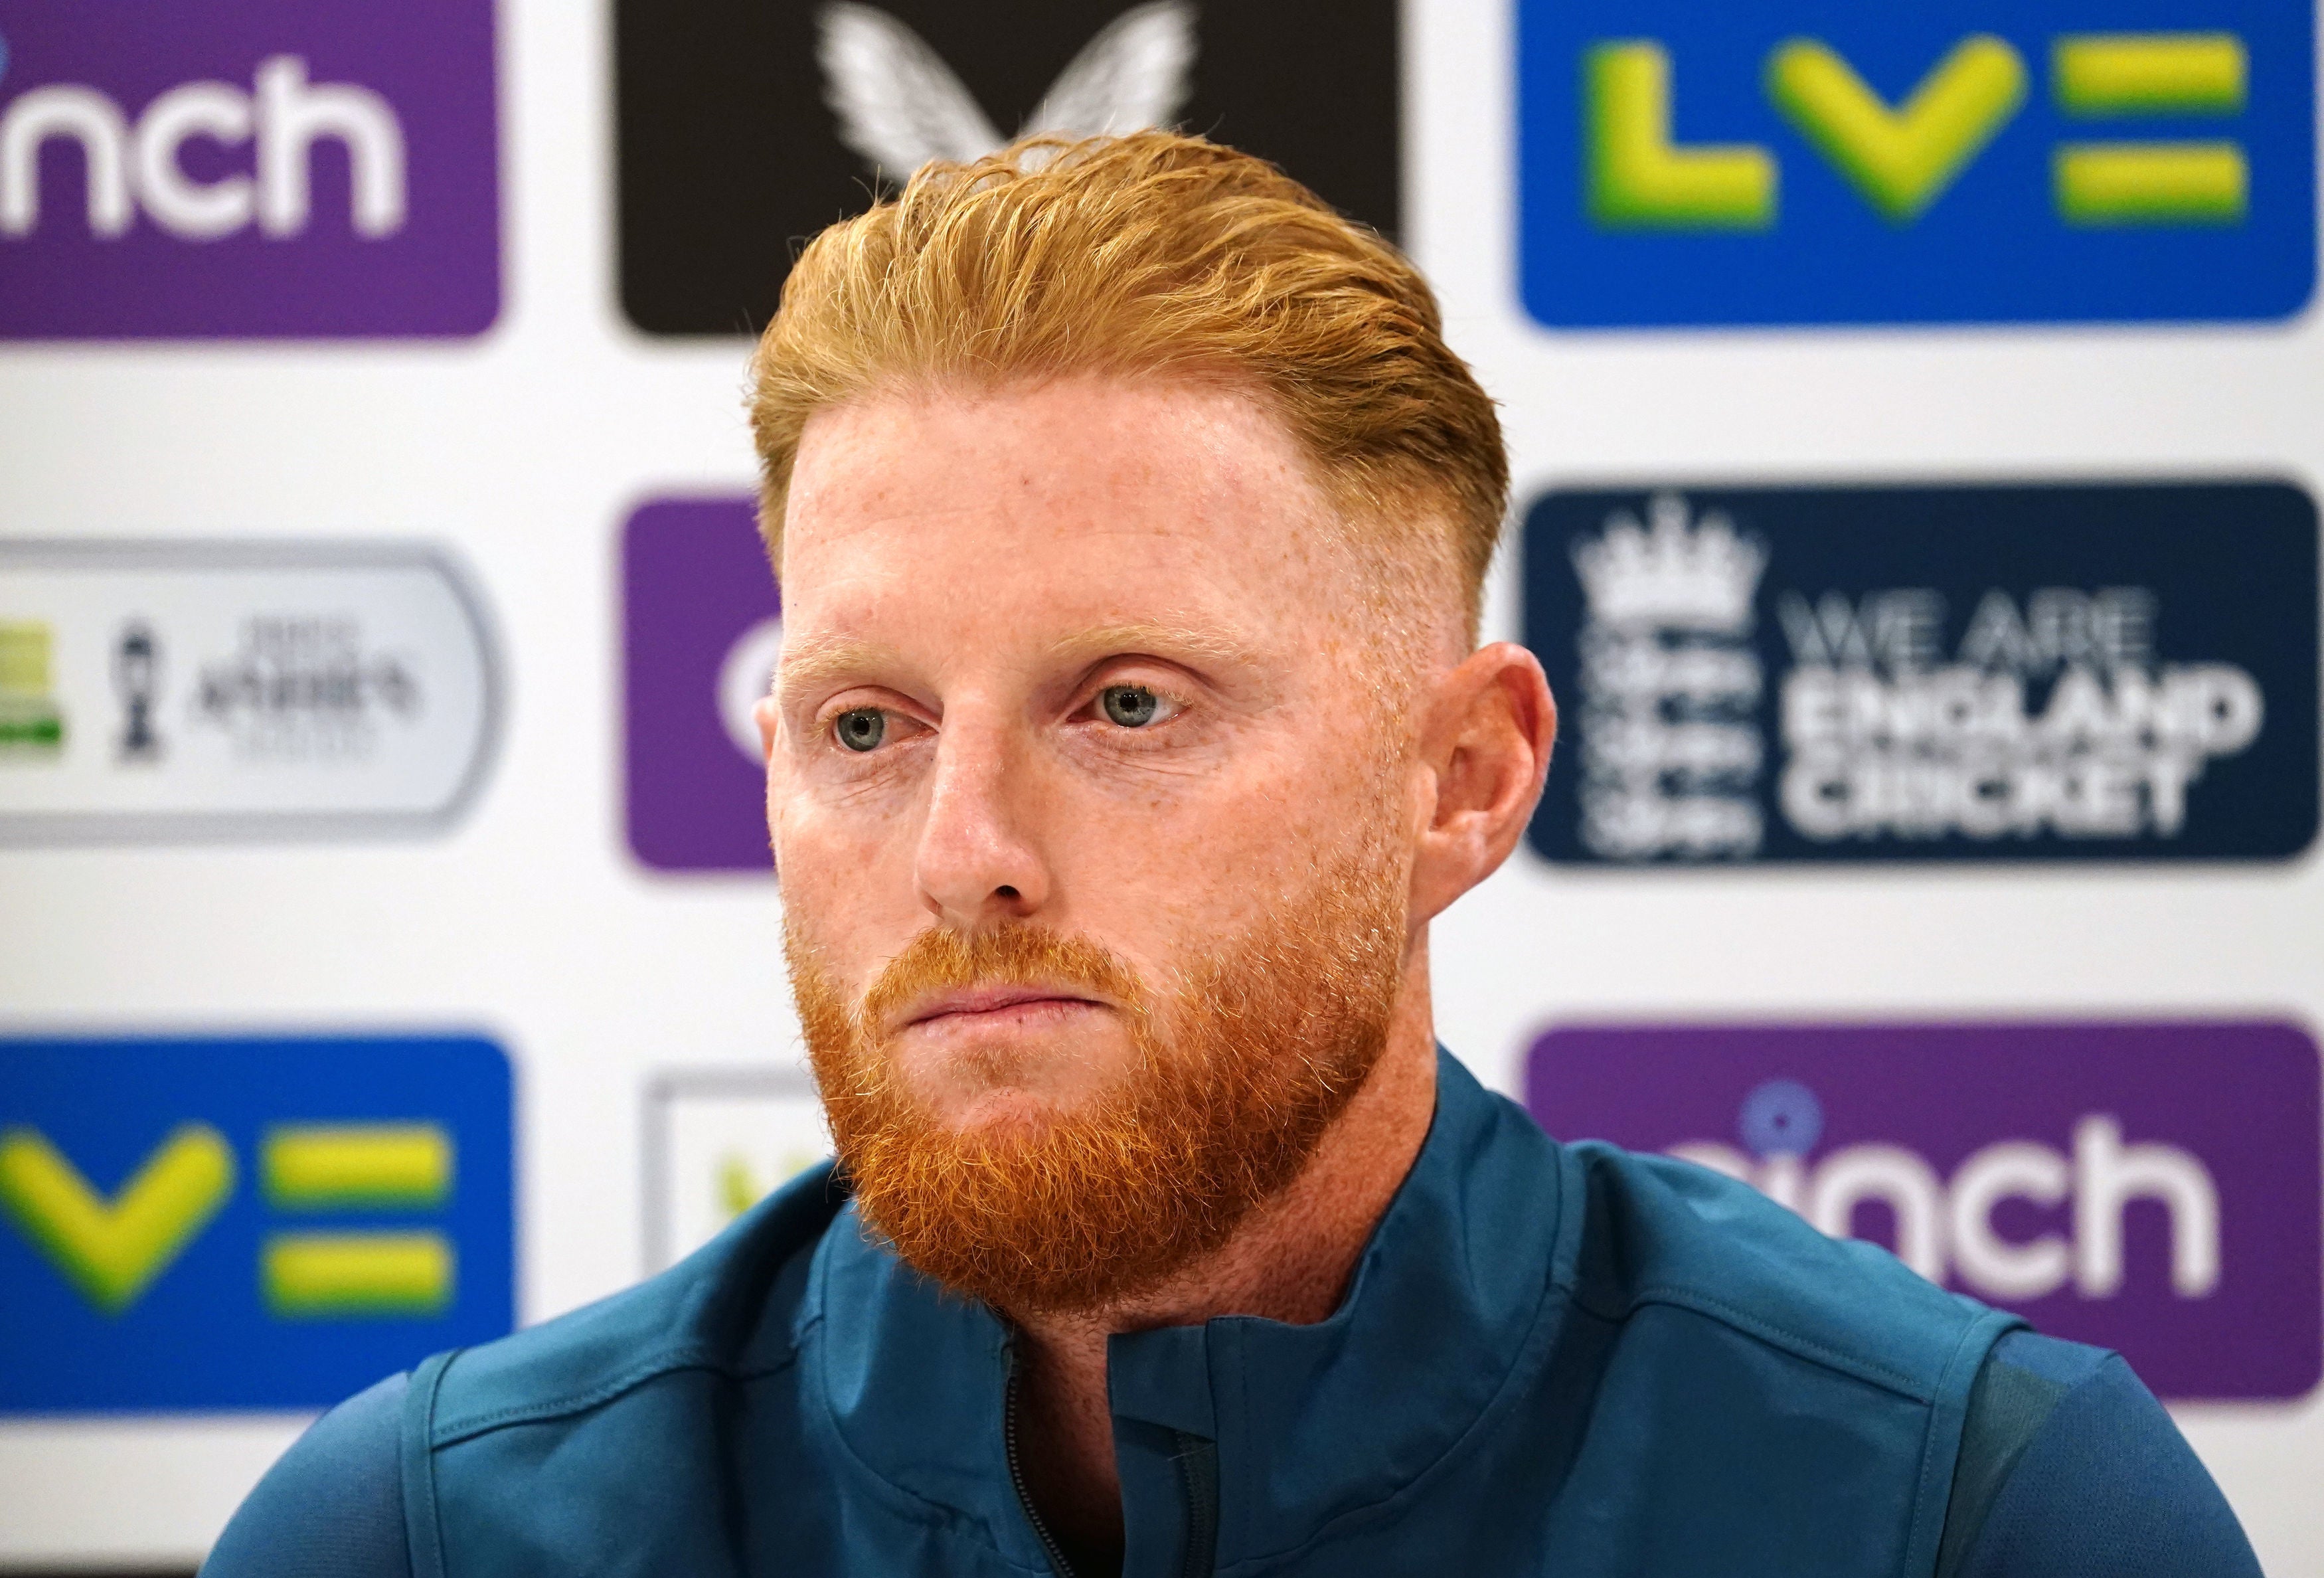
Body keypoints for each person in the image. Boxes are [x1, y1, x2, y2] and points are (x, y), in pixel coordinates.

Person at [203, 133, 2260, 1578]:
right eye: (865, 726)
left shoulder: (1969, 1520)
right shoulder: (420, 1540)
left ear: (1459, 781)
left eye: (1126, 706)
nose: (964, 858)